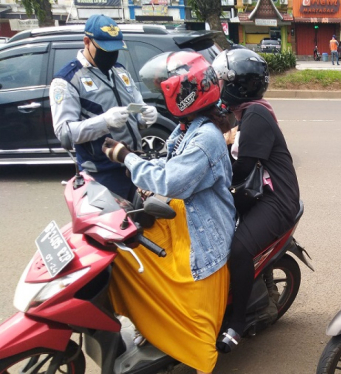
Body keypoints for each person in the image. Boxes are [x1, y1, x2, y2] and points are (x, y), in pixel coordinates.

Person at [102, 51, 236, 374]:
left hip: (204, 243)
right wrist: (142, 166)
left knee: (196, 330)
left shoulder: (206, 137)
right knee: (124, 253)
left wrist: (126, 158)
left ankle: (196, 356)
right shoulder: (188, 127)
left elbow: (169, 179)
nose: (160, 92)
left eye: (165, 88)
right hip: (184, 221)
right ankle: (151, 326)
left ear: (185, 95)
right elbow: (167, 162)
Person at [212, 49, 301, 352]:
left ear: (239, 86)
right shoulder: (245, 113)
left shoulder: (256, 115)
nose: (217, 85)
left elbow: (241, 170)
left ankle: (236, 322)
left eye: (222, 80)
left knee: (237, 249)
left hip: (276, 199)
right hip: (261, 192)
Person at [49, 14, 158, 200]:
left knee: (145, 225)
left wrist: (144, 116)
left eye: (115, 50)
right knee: (117, 227)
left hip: (134, 164)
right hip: (102, 173)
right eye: (105, 50)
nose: (110, 55)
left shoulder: (120, 71)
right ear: (87, 42)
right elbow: (64, 132)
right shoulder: (68, 80)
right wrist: (104, 122)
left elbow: (136, 106)